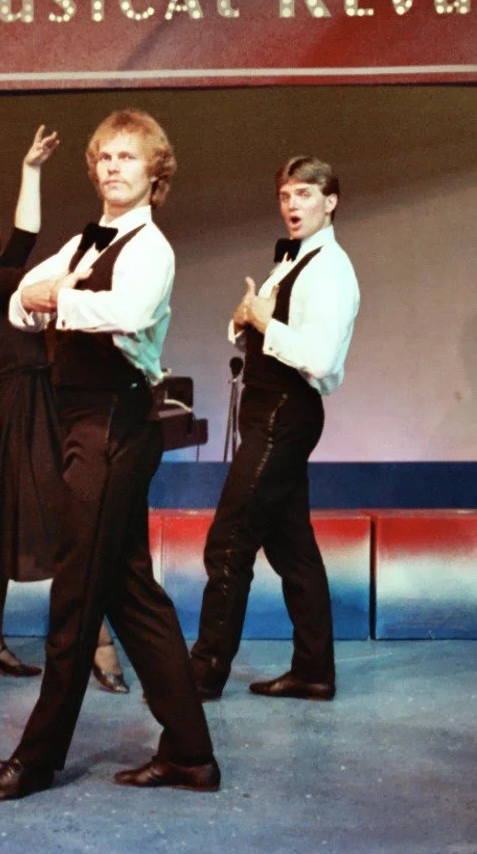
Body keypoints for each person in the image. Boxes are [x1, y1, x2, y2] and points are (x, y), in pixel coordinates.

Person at [0, 109, 218, 802]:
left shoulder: (151, 247)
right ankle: (191, 755)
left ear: (154, 174)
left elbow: (127, 312)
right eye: (104, 157)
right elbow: (19, 300)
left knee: (76, 592)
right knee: (127, 588)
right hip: (78, 418)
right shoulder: (85, 239)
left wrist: (61, 297)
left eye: (127, 158)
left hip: (115, 421)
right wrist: (52, 296)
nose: (112, 167)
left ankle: (37, 759)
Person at [0, 127, 129, 692]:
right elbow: (43, 277)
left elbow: (25, 234)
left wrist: (30, 170)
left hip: (18, 406)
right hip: (29, 403)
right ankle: (101, 642)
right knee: (69, 521)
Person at [190, 157, 359, 702]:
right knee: (293, 550)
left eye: (305, 194)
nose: (292, 205)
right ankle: (313, 670)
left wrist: (264, 322)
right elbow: (262, 328)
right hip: (268, 410)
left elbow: (322, 360)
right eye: (286, 194)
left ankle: (203, 674)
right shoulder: (289, 262)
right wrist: (244, 321)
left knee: (228, 543)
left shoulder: (331, 269)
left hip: (286, 413)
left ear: (330, 202)